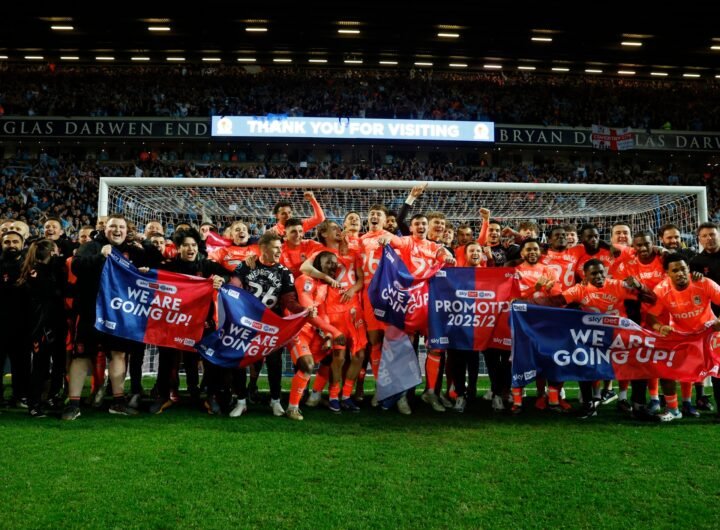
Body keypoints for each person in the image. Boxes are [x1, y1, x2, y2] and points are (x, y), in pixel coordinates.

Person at [63, 214, 148, 420]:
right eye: (113, 226)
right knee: (82, 355)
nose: (117, 230)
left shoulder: (134, 251)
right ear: (105, 229)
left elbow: (150, 269)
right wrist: (100, 256)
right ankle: (73, 404)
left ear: (127, 231)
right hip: (91, 312)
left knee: (118, 354)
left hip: (119, 314)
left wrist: (142, 273)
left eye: (121, 227)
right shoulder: (91, 246)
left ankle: (118, 402)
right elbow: (76, 267)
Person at [149, 229, 226, 415]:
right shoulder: (168, 266)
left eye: (193, 245)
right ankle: (163, 396)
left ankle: (209, 397)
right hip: (174, 323)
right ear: (178, 248)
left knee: (210, 360)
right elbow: (152, 277)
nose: (190, 249)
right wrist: (144, 273)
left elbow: (229, 276)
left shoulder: (207, 265)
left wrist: (221, 279)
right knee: (166, 360)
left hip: (202, 324)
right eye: (186, 245)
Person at [231, 232, 308, 418]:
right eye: (276, 248)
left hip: (272, 324)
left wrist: (303, 310)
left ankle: (275, 401)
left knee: (274, 361)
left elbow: (289, 300)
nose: (279, 251)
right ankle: (241, 401)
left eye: (280, 248)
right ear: (263, 248)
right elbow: (234, 288)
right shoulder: (245, 266)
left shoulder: (284, 272)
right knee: (240, 360)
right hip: (247, 322)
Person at [647, 253, 720, 422]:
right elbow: (651, 316)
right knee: (665, 369)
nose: (680, 273)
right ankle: (673, 410)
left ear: (688, 269)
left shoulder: (703, 283)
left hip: (707, 334)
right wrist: (660, 327)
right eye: (675, 270)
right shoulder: (662, 290)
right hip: (681, 336)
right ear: (667, 273)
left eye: (683, 269)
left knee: (718, 371)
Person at [17, 239, 66, 417]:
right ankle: (35, 403)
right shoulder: (39, 272)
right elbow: (52, 293)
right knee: (41, 365)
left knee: (56, 363)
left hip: (52, 323)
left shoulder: (34, 270)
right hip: (43, 325)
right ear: (52, 253)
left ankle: (49, 398)